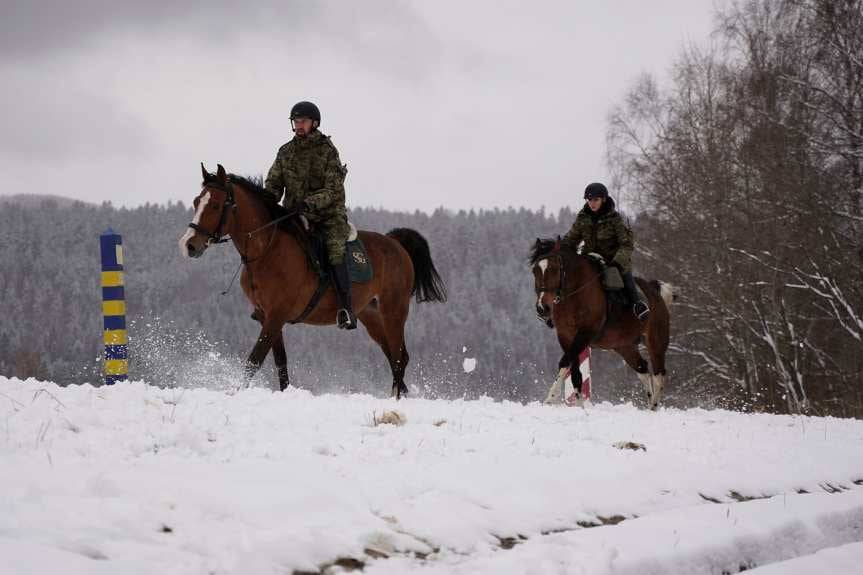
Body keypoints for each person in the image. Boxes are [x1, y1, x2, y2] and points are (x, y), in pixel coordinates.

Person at [264, 101, 355, 329]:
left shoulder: (327, 151)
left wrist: (308, 204)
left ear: (314, 123)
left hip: (327, 216)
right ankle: (264, 301)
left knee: (335, 249)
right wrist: (266, 200)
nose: (298, 126)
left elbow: (333, 190)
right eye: (295, 122)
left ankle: (346, 308)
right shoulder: (285, 151)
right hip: (294, 215)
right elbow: (274, 183)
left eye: (302, 121)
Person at [563, 182, 649, 320]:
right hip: (590, 260)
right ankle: (555, 310)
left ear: (603, 199)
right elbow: (571, 239)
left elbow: (626, 244)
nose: (592, 203)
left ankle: (638, 305)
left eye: (595, 200)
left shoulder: (615, 219)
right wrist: (559, 248)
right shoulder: (582, 218)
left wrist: (617, 262)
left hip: (613, 261)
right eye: (589, 200)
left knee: (624, 279)